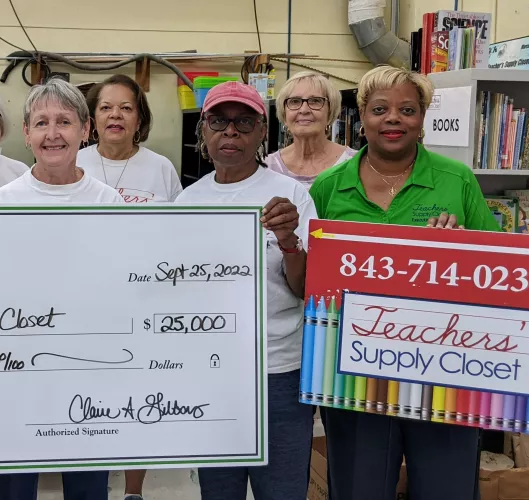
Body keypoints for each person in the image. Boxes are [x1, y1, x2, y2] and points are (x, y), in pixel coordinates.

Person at [309, 65, 498, 500]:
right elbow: (308, 277)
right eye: (380, 109)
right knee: (359, 488)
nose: (393, 119)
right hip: (355, 370)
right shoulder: (327, 189)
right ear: (361, 118)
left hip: (447, 367)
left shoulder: (457, 181)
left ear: (423, 118)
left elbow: (501, 269)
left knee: (446, 488)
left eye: (407, 110)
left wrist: (463, 248)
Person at [175, 81, 316, 500]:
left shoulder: (292, 196)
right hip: (213, 372)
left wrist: (290, 240)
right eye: (219, 121)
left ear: (262, 132)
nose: (230, 132)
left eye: (244, 122)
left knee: (283, 489)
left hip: (280, 371)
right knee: (219, 490)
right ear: (203, 131)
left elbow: (305, 288)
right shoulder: (185, 203)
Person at [0, 77, 119, 499]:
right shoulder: (2, 203)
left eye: (64, 121)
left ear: (85, 130)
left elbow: (119, 288)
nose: (53, 133)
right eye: (41, 123)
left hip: (88, 367)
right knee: (14, 485)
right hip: (17, 370)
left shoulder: (107, 202)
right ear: (26, 134)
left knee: (87, 485)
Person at [78, 74, 182, 204]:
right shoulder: (75, 163)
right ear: (93, 119)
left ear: (139, 121)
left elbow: (177, 222)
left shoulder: (162, 167)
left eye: (126, 108)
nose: (115, 114)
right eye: (106, 107)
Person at [265, 70, 357, 187]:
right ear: (284, 113)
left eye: (315, 101)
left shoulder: (356, 164)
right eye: (294, 101)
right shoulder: (266, 167)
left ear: (330, 111)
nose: (304, 110)